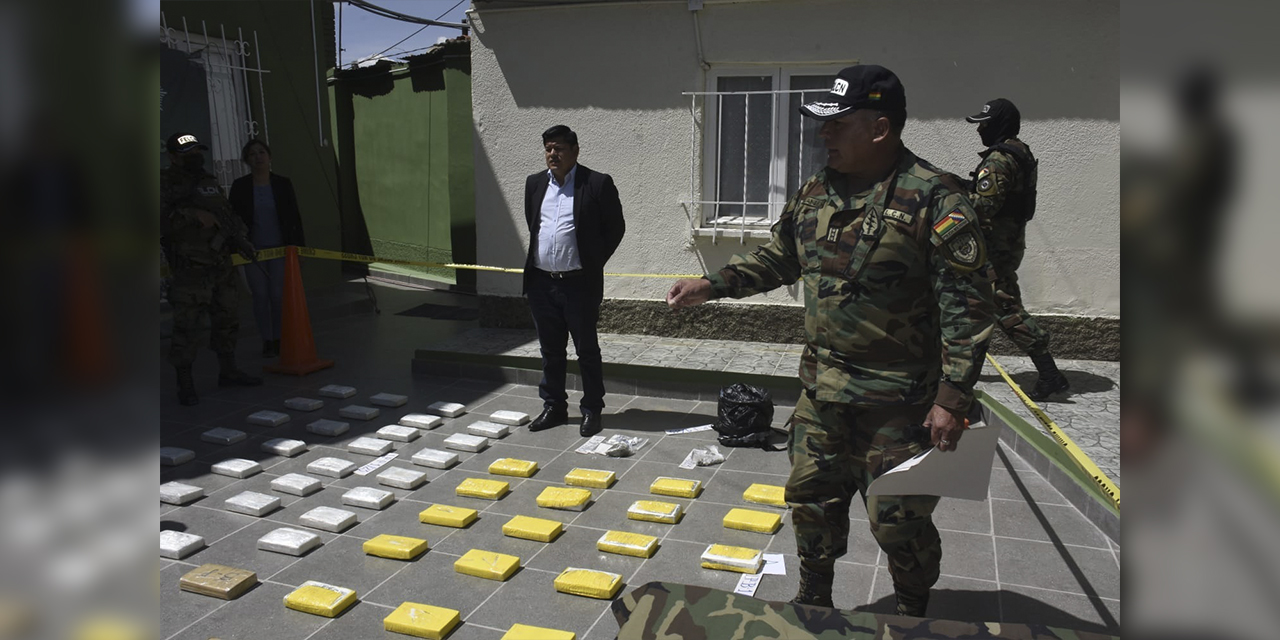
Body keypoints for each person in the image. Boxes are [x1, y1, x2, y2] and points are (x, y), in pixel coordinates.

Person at [666, 65, 996, 616]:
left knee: (899, 521)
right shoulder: (818, 191)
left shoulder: (936, 199)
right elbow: (781, 257)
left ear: (880, 128)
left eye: (836, 125)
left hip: (900, 401)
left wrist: (952, 398)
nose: (823, 135)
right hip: (822, 392)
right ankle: (813, 601)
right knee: (812, 502)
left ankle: (913, 609)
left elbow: (967, 308)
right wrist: (713, 283)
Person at [521, 125, 625, 437]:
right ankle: (554, 406)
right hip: (542, 283)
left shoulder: (596, 183)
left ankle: (592, 409)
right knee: (551, 351)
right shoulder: (535, 183)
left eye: (559, 149)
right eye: (548, 149)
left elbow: (615, 228)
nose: (553, 154)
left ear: (575, 151)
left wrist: (591, 262)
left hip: (579, 285)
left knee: (586, 351)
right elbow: (534, 225)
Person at [965, 99, 1068, 400]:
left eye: (984, 123)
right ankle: (965, 372)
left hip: (994, 247)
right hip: (1007, 242)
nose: (980, 129)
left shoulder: (999, 159)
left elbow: (984, 205)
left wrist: (955, 194)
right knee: (978, 305)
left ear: (998, 124)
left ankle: (1050, 374)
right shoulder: (1019, 151)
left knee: (1005, 307)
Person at [162, 132, 263, 405]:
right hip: (190, 270)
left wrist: (240, 236)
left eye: (197, 151)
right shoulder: (164, 182)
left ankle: (228, 370)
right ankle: (185, 382)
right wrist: (192, 215)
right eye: (188, 153)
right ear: (173, 157)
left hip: (220, 265)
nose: (195, 156)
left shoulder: (209, 182)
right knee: (187, 328)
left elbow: (226, 214)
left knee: (227, 320)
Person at [229, 139, 306, 358]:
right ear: (246, 159)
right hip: (253, 251)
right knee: (260, 295)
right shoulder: (240, 186)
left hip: (281, 250)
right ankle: (267, 339)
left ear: (270, 157)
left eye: (262, 152)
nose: (258, 157)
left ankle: (281, 337)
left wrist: (299, 248)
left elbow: (294, 217)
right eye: (253, 154)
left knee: (277, 295)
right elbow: (233, 220)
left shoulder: (282, 184)